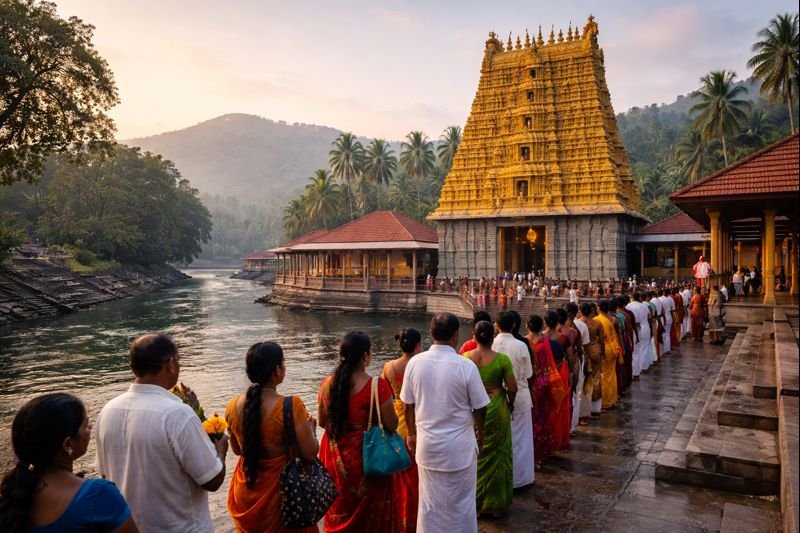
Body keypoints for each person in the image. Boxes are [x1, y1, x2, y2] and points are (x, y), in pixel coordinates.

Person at [96, 333, 227, 533]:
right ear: (171, 364)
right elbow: (212, 480)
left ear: (132, 368)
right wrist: (220, 450)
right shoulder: (178, 414)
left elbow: (105, 475)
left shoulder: (108, 411)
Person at [401, 313, 489, 533]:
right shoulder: (465, 366)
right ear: (456, 336)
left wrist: (411, 433)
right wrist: (480, 431)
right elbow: (480, 406)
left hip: (428, 446)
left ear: (430, 334)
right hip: (459, 447)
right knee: (461, 503)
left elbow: (407, 405)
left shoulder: (414, 364)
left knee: (429, 503)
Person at [0, 393, 137, 533]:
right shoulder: (99, 494)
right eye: (85, 425)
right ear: (67, 444)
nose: (90, 427)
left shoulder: (10, 499)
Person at [225, 342, 319, 533]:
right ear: (277, 370)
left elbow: (237, 450)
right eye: (283, 363)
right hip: (282, 496)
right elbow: (310, 454)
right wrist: (312, 430)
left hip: (246, 490)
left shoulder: (232, 406)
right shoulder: (291, 405)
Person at [318, 332, 399, 532]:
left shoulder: (327, 384)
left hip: (334, 456)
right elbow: (391, 425)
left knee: (338, 506)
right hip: (365, 459)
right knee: (370, 516)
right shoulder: (376, 386)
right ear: (365, 356)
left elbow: (322, 421)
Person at [464, 321, 516, 516]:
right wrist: (510, 403)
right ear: (493, 337)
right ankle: (496, 505)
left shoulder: (465, 358)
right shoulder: (502, 360)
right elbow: (512, 387)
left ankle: (475, 504)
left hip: (474, 409)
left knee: (477, 455)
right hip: (496, 407)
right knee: (498, 454)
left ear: (474, 336)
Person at [383, 328, 422, 532]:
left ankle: (399, 516)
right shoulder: (421, 366)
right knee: (416, 473)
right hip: (418, 418)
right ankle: (417, 517)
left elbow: (386, 395)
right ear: (417, 345)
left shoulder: (389, 367)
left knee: (399, 474)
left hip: (397, 420)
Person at [492, 311, 534, 489]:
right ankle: (520, 479)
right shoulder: (521, 345)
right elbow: (529, 374)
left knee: (500, 440)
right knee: (522, 439)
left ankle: (502, 478)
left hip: (497, 397)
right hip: (520, 395)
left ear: (496, 325)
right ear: (514, 326)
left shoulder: (490, 345)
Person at [525, 315, 553, 468]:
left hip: (530, 383)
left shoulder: (525, 342)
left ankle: (530, 456)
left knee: (529, 420)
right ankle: (540, 455)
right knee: (541, 418)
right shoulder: (544, 341)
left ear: (527, 325)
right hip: (543, 382)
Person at [543, 311, 572, 450]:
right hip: (560, 372)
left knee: (545, 405)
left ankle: (546, 437)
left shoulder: (539, 338)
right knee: (560, 406)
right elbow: (571, 358)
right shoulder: (564, 338)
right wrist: (572, 372)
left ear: (545, 322)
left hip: (544, 374)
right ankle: (558, 437)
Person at [566, 303, 589, 432]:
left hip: (564, 365)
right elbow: (582, 349)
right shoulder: (577, 328)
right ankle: (573, 425)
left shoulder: (558, 330)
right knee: (575, 393)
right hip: (574, 363)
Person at [595, 301, 620, 410]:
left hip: (605, 349)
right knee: (611, 375)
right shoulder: (612, 319)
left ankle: (606, 401)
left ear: (599, 308)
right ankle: (612, 399)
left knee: (604, 376)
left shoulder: (597, 320)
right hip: (613, 348)